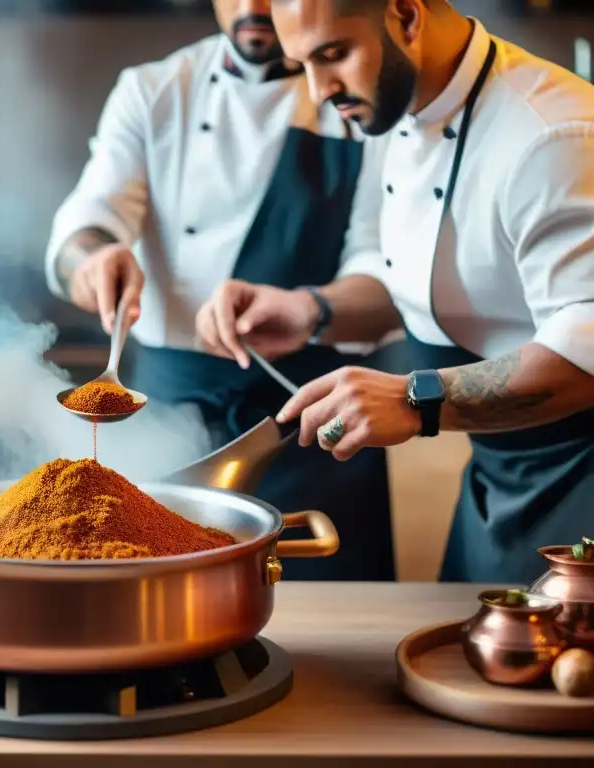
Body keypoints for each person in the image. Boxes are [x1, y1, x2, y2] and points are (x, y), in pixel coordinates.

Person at [198, 0, 594, 584]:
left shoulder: (552, 133)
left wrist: (418, 399)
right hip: (496, 473)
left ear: (407, 17)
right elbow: (435, 281)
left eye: (333, 55)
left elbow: (585, 353)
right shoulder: (398, 108)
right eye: (303, 62)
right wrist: (311, 310)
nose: (319, 87)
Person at [45, 0, 405, 580]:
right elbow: (88, 218)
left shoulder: (362, 98)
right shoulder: (155, 89)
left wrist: (310, 308)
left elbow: (390, 277)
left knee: (336, 618)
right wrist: (94, 258)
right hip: (169, 424)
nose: (254, 7)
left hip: (313, 422)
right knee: (164, 603)